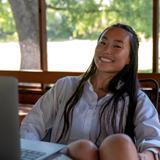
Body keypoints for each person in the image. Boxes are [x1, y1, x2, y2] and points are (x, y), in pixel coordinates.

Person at [20, 23, 160, 160]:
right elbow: (32, 125)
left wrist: (141, 156)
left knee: (119, 142)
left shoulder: (136, 99)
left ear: (130, 58)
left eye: (117, 46)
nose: (106, 50)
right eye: (102, 43)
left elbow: (154, 139)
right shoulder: (66, 86)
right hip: (68, 156)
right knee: (84, 149)